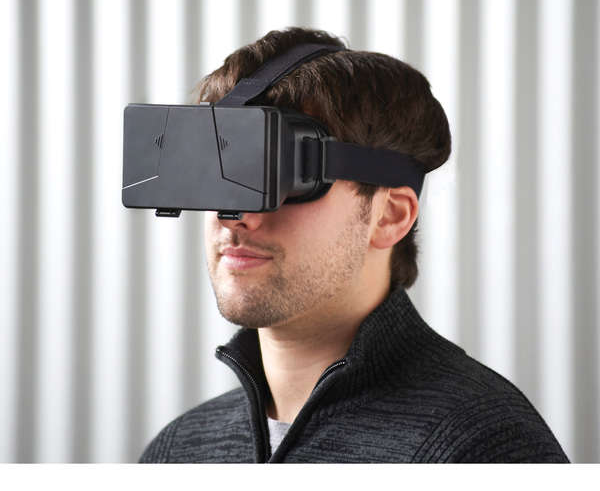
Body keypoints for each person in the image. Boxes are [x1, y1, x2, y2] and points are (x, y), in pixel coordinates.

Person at [139, 27, 569, 463]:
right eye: (219, 175)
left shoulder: (479, 446)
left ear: (390, 216)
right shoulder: (178, 451)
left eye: (281, 177)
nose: (234, 216)